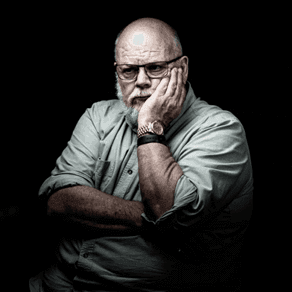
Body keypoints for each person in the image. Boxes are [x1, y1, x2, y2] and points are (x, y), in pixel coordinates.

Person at [29, 17, 253, 292]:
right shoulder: (98, 115)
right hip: (55, 282)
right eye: (129, 71)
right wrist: (154, 222)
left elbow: (168, 210)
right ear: (117, 72)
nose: (142, 82)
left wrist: (149, 125)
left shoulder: (221, 129)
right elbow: (58, 204)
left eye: (155, 68)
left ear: (182, 68)